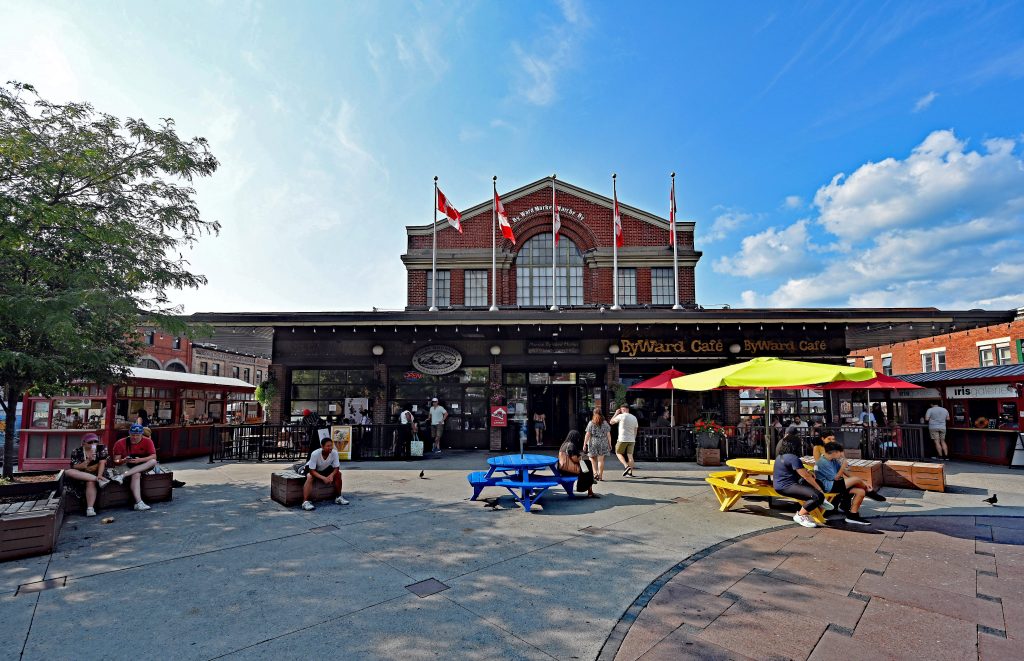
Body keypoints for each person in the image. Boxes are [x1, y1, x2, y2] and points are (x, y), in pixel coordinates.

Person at [773, 436, 832, 528]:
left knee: (815, 484)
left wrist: (808, 473)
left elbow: (800, 473)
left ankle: (820, 500)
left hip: (781, 485)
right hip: (786, 486)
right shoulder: (793, 458)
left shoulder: (780, 456)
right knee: (817, 496)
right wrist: (819, 490)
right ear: (795, 446)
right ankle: (800, 516)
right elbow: (806, 476)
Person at [815, 441, 876, 525]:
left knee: (860, 491)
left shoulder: (832, 460)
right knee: (856, 480)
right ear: (834, 452)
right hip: (828, 487)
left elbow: (845, 472)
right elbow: (836, 478)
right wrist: (843, 466)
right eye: (840, 452)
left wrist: (860, 481)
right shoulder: (822, 462)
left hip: (836, 484)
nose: (841, 454)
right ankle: (870, 491)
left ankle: (852, 516)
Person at [109, 423, 158, 511]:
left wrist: (140, 460)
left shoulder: (148, 441)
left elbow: (153, 457)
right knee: (136, 474)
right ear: (129, 433)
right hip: (124, 466)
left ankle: (122, 476)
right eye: (133, 435)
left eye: (137, 435)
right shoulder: (120, 443)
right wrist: (124, 460)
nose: (135, 437)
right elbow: (115, 461)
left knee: (153, 461)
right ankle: (139, 502)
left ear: (142, 434)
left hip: (141, 464)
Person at [66, 433, 110, 517]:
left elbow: (102, 462)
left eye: (95, 441)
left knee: (90, 482)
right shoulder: (76, 451)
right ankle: (98, 480)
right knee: (68, 472)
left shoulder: (101, 448)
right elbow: (76, 466)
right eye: (90, 442)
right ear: (83, 443)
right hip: (82, 473)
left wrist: (100, 475)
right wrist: (89, 460)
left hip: (98, 472)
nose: (93, 444)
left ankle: (90, 508)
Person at [300, 437, 349, 510]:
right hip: (312, 468)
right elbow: (312, 471)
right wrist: (324, 478)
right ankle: (305, 502)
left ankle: (338, 497)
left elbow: (336, 468)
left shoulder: (334, 453)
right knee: (310, 476)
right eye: (328, 446)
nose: (330, 448)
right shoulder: (315, 454)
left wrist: (331, 475)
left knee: (338, 474)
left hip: (324, 468)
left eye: (331, 445)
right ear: (322, 447)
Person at [557, 430, 597, 498]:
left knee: (587, 466)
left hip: (562, 468)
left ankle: (590, 486)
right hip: (568, 470)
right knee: (588, 468)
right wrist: (581, 457)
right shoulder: (571, 445)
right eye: (577, 438)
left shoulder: (564, 444)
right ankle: (590, 489)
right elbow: (575, 459)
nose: (578, 440)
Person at [610, 404, 639, 477]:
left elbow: (611, 422)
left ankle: (626, 466)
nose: (621, 411)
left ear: (623, 409)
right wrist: (634, 438)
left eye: (621, 410)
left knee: (618, 452)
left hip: (622, 439)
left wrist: (616, 413)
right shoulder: (634, 417)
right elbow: (635, 429)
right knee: (630, 455)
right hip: (632, 439)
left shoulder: (621, 416)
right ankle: (630, 473)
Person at [583, 409, 611, 481]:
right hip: (603, 442)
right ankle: (600, 476)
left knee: (592, 458)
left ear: (593, 413)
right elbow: (608, 435)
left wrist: (584, 444)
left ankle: (595, 473)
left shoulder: (591, 423)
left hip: (593, 442)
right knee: (600, 460)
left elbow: (587, 434)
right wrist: (610, 444)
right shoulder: (605, 423)